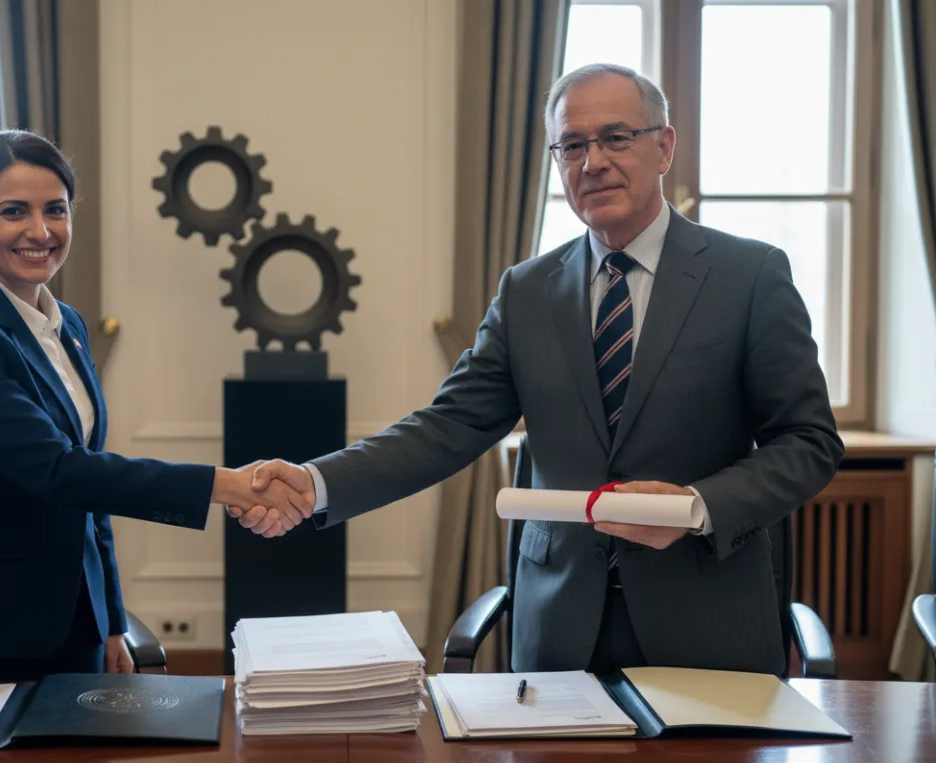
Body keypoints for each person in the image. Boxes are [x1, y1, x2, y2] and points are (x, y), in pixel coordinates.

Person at [234, 64, 844, 675]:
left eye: (616, 137)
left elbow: (808, 441)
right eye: (572, 145)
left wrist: (693, 506)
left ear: (664, 147)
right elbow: (448, 426)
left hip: (708, 629)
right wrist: (315, 482)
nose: (593, 162)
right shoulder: (526, 291)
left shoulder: (749, 276)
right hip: (559, 632)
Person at [0, 130, 312, 686]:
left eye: (55, 210)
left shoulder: (70, 327)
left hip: (70, 626)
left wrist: (109, 620)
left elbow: (90, 492)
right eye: (14, 211)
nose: (40, 231)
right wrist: (229, 485)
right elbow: (59, 471)